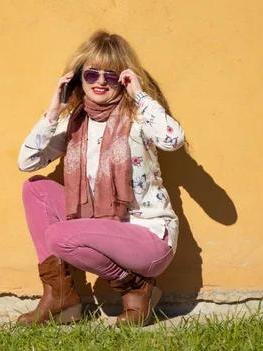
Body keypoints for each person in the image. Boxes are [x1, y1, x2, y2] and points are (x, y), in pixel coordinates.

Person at [17, 30, 185, 326]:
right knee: (36, 189)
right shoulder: (74, 121)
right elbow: (27, 161)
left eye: (111, 76)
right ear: (78, 78)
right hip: (102, 228)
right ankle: (60, 296)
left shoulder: (138, 118)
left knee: (59, 237)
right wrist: (55, 108)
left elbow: (173, 139)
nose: (99, 82)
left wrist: (140, 95)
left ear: (123, 80)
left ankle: (137, 287)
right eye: (92, 73)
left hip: (148, 237)